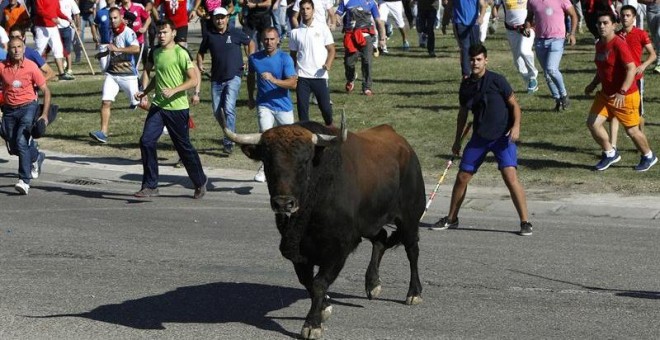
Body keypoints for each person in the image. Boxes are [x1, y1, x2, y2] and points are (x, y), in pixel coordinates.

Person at [429, 44, 532, 236]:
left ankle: (525, 221)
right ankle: (451, 218)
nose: (475, 63)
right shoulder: (466, 86)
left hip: (503, 137)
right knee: (462, 177)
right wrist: (457, 140)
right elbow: (462, 115)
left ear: (486, 60)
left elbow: (515, 106)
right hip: (480, 137)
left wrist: (516, 127)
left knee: (510, 177)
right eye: (472, 59)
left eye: (478, 59)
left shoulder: (497, 80)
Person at [134, 19, 208, 198]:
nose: (161, 35)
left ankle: (199, 181)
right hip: (158, 106)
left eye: (164, 32)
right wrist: (144, 93)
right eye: (159, 32)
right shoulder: (155, 52)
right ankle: (150, 185)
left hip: (178, 108)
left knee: (183, 147)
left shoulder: (181, 53)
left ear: (173, 33)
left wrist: (174, 90)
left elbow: (193, 79)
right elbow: (156, 77)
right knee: (146, 141)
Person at [584, 11, 657, 172]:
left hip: (626, 95)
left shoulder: (619, 43)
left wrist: (622, 92)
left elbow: (631, 68)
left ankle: (648, 156)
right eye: (599, 23)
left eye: (605, 23)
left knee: (632, 130)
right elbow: (602, 68)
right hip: (605, 94)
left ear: (613, 25)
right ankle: (610, 153)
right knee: (592, 123)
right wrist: (593, 84)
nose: (602, 26)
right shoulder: (599, 44)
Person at [196, 7, 255, 154]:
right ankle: (227, 132)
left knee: (229, 108)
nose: (220, 20)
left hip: (234, 75)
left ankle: (229, 141)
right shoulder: (210, 36)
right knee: (217, 111)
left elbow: (250, 43)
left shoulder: (235, 33)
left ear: (227, 18)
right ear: (213, 20)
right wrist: (200, 63)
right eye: (217, 18)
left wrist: (250, 58)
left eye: (222, 17)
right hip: (216, 78)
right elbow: (200, 52)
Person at [0, 37, 52, 195]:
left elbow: (46, 91)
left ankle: (24, 180)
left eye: (19, 47)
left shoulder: (31, 67)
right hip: (9, 110)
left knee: (21, 141)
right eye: (13, 47)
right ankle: (36, 156)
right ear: (8, 50)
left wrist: (44, 115)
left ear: (24, 49)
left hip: (28, 107)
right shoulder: (2, 67)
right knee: (13, 145)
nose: (16, 50)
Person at [247, 27, 297, 182]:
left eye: (272, 39)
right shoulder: (254, 58)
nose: (269, 42)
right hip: (264, 104)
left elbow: (293, 83)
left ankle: (291, 168)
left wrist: (274, 80)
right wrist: (250, 97)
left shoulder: (285, 58)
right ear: (262, 40)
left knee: (290, 140)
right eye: (266, 39)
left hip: (283, 106)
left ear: (278, 40)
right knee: (266, 136)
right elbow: (250, 77)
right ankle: (265, 167)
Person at [89, 7, 141, 144]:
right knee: (106, 101)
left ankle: (164, 118)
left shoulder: (128, 32)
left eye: (115, 18)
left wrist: (118, 49)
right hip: (112, 74)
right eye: (111, 18)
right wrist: (104, 54)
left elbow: (136, 48)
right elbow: (112, 49)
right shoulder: (112, 31)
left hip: (128, 75)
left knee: (139, 102)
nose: (112, 21)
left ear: (121, 17)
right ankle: (103, 133)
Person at [610, 5, 656, 149]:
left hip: (635, 80)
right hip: (618, 79)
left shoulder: (641, 34)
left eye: (628, 15)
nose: (625, 18)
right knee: (614, 112)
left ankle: (641, 139)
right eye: (623, 15)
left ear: (634, 18)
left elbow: (653, 54)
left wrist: (643, 66)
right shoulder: (616, 36)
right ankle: (612, 146)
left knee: (638, 115)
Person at [289, 0, 335, 125]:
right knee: (302, 111)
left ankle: (332, 131)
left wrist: (328, 64)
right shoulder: (295, 33)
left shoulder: (323, 28)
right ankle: (305, 138)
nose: (305, 11)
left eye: (308, 8)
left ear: (313, 11)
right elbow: (292, 55)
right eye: (302, 9)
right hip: (302, 77)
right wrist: (292, 73)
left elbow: (331, 50)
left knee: (326, 109)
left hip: (319, 76)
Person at [526, 0, 577, 111]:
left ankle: (564, 95)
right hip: (540, 41)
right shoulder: (532, 1)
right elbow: (529, 17)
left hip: (557, 39)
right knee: (547, 75)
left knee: (551, 69)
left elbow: (573, 15)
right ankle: (558, 101)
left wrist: (572, 34)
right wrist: (527, 27)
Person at [335, 0, 385, 96]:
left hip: (366, 36)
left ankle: (367, 87)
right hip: (350, 36)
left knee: (367, 62)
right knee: (349, 63)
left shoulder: (371, 2)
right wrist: (337, 19)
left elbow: (378, 21)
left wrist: (382, 38)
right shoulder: (346, 1)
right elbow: (338, 13)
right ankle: (351, 78)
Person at [501, 0, 538, 93]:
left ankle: (533, 76)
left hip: (527, 28)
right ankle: (530, 81)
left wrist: (531, 24)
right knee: (517, 61)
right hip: (511, 30)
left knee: (524, 50)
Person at [34, 0, 74, 80]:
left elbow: (57, 11)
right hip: (42, 27)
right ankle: (33, 72)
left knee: (58, 50)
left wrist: (67, 18)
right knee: (39, 50)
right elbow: (39, 10)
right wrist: (51, 18)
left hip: (53, 27)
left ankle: (62, 74)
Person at [451, 0, 488, 79]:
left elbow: (483, 5)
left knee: (476, 49)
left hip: (474, 24)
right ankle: (466, 74)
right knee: (465, 48)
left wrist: (481, 17)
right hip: (459, 23)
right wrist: (445, 20)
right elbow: (449, 5)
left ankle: (479, 71)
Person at [57, 0, 81, 77]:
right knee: (59, 50)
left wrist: (78, 27)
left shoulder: (70, 1)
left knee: (68, 49)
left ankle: (69, 69)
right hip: (56, 28)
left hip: (67, 27)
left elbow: (77, 13)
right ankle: (62, 69)